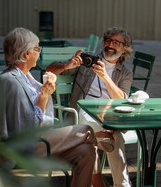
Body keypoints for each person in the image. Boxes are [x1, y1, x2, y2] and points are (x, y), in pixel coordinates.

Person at [0, 27, 106, 187]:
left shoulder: (26, 76)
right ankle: (100, 182)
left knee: (88, 152)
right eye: (38, 48)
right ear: (26, 54)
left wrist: (65, 67)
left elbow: (49, 72)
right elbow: (25, 129)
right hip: (28, 146)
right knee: (86, 131)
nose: (40, 52)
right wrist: (44, 96)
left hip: (42, 140)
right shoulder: (10, 81)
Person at [46, 27, 133, 187]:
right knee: (113, 136)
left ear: (124, 47)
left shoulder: (125, 73)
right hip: (83, 113)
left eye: (116, 42)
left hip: (109, 115)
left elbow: (121, 99)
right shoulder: (88, 61)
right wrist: (67, 65)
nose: (110, 45)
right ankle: (111, 182)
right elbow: (49, 69)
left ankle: (119, 184)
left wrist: (105, 77)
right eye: (108, 40)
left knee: (107, 138)